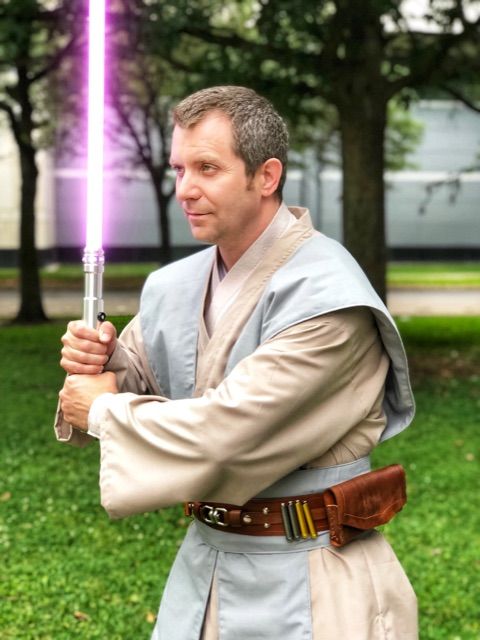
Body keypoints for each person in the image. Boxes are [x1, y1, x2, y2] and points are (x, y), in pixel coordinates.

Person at [56, 85, 418, 639]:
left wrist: (104, 410)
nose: (185, 189)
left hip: (313, 575)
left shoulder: (329, 300)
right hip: (206, 569)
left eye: (207, 168)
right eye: (179, 169)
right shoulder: (174, 286)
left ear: (266, 176)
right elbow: (126, 380)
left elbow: (227, 434)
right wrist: (99, 360)